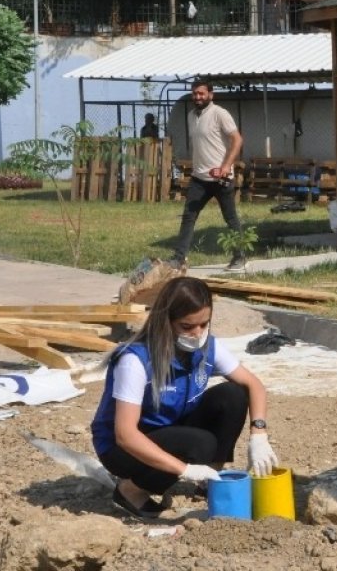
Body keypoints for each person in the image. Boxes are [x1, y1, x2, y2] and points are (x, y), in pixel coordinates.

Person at [91, 276, 279, 519]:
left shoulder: (207, 347)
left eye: (204, 324)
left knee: (232, 394)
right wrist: (185, 469)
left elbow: (253, 384)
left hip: (172, 428)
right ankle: (132, 491)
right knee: (199, 445)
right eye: (187, 327)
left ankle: (211, 480)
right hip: (122, 448)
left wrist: (259, 434)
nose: (197, 333)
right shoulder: (136, 360)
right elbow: (125, 435)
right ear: (165, 322)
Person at [172, 80, 247, 272]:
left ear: (211, 95)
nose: (198, 97)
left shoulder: (219, 113)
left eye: (201, 93)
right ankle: (179, 258)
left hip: (221, 179)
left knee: (230, 218)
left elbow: (237, 140)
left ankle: (239, 257)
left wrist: (226, 166)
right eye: (195, 93)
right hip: (199, 178)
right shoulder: (191, 116)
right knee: (188, 217)